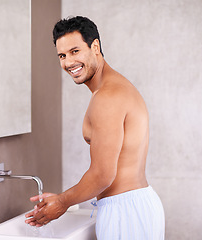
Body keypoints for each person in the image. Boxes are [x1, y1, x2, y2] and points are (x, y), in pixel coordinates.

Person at [25, 16, 165, 239]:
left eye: (75, 51)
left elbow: (103, 175)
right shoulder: (116, 88)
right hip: (134, 206)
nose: (68, 62)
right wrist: (63, 199)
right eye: (62, 55)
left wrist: (61, 203)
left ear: (95, 47)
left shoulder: (107, 96)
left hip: (125, 212)